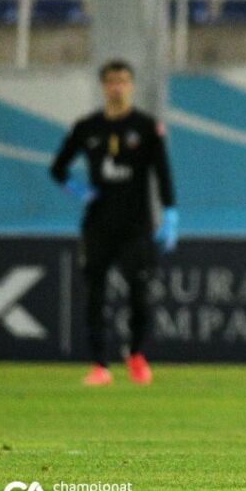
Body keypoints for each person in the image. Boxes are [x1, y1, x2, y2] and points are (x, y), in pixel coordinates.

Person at [50, 60, 178, 387]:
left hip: (137, 226)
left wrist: (170, 213)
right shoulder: (88, 127)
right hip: (99, 225)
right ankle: (99, 365)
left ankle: (136, 355)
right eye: (111, 81)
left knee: (140, 294)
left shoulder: (146, 127)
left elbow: (162, 172)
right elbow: (58, 168)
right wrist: (77, 190)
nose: (117, 87)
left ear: (131, 85)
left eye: (122, 81)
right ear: (103, 86)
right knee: (96, 294)